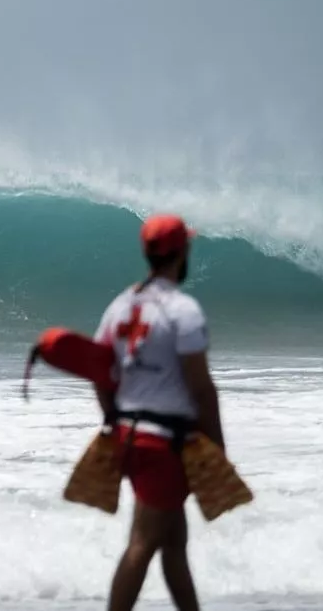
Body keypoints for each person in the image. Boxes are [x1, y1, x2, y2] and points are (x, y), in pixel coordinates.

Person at [91, 213, 225, 611]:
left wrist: (113, 420)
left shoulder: (120, 306)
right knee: (143, 543)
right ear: (181, 252)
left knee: (174, 545)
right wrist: (217, 446)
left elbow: (99, 371)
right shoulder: (182, 310)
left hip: (132, 437)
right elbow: (201, 388)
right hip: (162, 445)